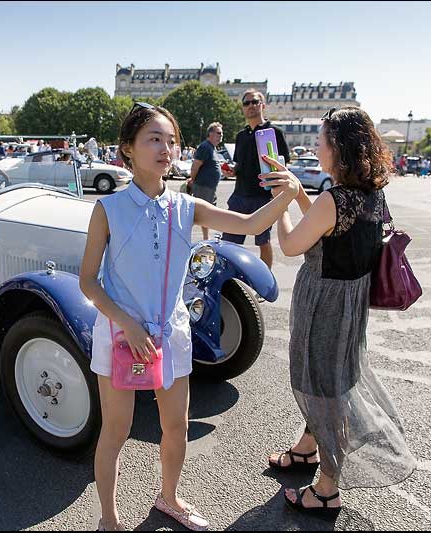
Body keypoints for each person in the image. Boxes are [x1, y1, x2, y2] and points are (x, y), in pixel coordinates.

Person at [79, 102, 298, 532]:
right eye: (154, 139)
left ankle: (170, 497)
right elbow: (88, 281)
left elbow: (252, 223)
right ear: (128, 149)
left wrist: (287, 192)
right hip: (124, 336)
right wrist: (128, 322)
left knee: (176, 425)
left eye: (171, 140)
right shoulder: (108, 209)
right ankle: (109, 519)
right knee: (116, 431)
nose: (166, 148)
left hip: (171, 333)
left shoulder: (186, 205)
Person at [263, 106, 415, 518]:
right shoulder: (369, 193)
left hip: (324, 302)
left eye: (322, 139)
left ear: (339, 148)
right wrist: (297, 192)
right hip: (350, 301)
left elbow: (295, 244)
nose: (316, 145)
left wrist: (280, 204)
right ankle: (308, 447)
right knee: (330, 378)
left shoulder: (334, 199)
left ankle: (327, 487)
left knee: (321, 387)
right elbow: (327, 224)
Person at [221, 89, 290, 270]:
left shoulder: (274, 132)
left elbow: (284, 165)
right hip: (239, 196)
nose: (251, 106)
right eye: (247, 103)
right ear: (243, 109)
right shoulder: (240, 136)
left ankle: (264, 283)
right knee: (229, 242)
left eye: (255, 102)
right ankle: (230, 279)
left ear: (263, 106)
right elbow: (240, 165)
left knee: (263, 241)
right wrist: (232, 171)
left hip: (263, 197)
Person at [187, 122, 224, 240]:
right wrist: (192, 180)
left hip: (209, 188)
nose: (221, 135)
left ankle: (206, 238)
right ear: (210, 133)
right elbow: (195, 165)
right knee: (200, 213)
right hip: (203, 187)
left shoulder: (212, 148)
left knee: (204, 213)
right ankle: (188, 236)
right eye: (218, 133)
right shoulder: (205, 146)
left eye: (221, 133)